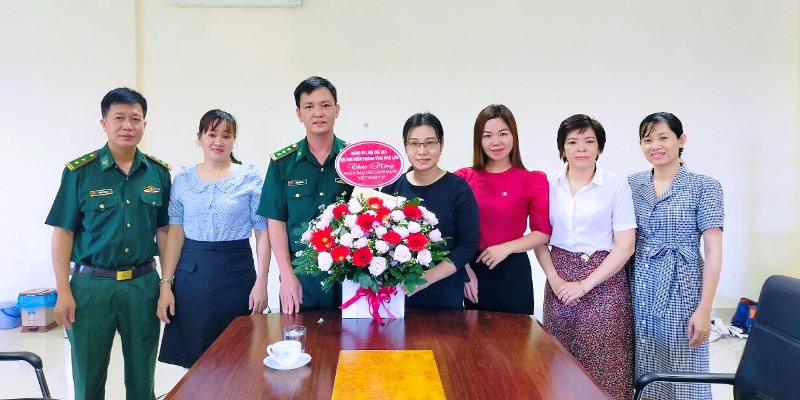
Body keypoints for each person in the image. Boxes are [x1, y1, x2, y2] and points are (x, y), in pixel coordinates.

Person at [45, 87, 171, 400]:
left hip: (143, 285)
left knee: (143, 379)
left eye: (135, 118)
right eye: (119, 118)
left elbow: (166, 232)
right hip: (91, 288)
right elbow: (63, 233)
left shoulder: (158, 173)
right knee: (88, 379)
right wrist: (63, 291)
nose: (128, 125)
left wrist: (166, 284)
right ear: (104, 123)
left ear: (145, 124)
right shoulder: (79, 173)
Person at [533, 114, 636, 400]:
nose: (581, 148)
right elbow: (540, 238)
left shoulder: (615, 184)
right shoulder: (546, 183)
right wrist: (554, 280)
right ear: (562, 148)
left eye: (589, 141)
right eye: (573, 141)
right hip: (559, 275)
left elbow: (626, 245)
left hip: (605, 278)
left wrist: (585, 284)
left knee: (605, 360)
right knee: (558, 357)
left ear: (599, 148)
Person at [157, 109, 270, 368]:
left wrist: (262, 282)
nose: (218, 141)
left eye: (226, 135)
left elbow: (262, 233)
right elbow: (175, 235)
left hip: (237, 275)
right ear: (200, 138)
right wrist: (166, 285)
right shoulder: (183, 180)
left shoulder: (249, 178)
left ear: (234, 140)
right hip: (190, 278)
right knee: (194, 359)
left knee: (239, 355)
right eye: (212, 134)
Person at [628, 112, 724, 400]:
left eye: (663, 137)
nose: (655, 145)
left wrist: (705, 309)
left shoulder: (705, 186)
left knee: (685, 365)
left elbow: (713, 249)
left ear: (681, 140)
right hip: (639, 283)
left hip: (683, 285)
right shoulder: (632, 184)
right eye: (647, 140)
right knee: (645, 361)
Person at [258, 76, 353, 314]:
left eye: (325, 105)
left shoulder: (354, 159)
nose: (318, 113)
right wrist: (286, 275)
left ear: (337, 110)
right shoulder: (282, 164)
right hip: (300, 276)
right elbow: (275, 221)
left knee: (351, 345)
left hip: (349, 275)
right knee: (299, 344)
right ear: (299, 113)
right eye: (309, 107)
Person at [454, 104, 551, 315]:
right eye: (487, 135)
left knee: (516, 343)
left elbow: (542, 232)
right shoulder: (463, 178)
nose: (495, 142)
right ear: (478, 139)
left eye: (503, 134)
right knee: (472, 343)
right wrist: (464, 270)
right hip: (472, 272)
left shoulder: (533, 179)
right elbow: (451, 231)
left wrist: (505, 248)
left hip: (513, 271)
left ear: (514, 136)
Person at [381, 112, 479, 308]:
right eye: (414, 143)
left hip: (444, 290)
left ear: (441, 145)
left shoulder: (458, 188)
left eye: (430, 143)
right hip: (398, 292)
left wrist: (427, 277)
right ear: (405, 146)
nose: (422, 151)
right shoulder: (391, 188)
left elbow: (468, 246)